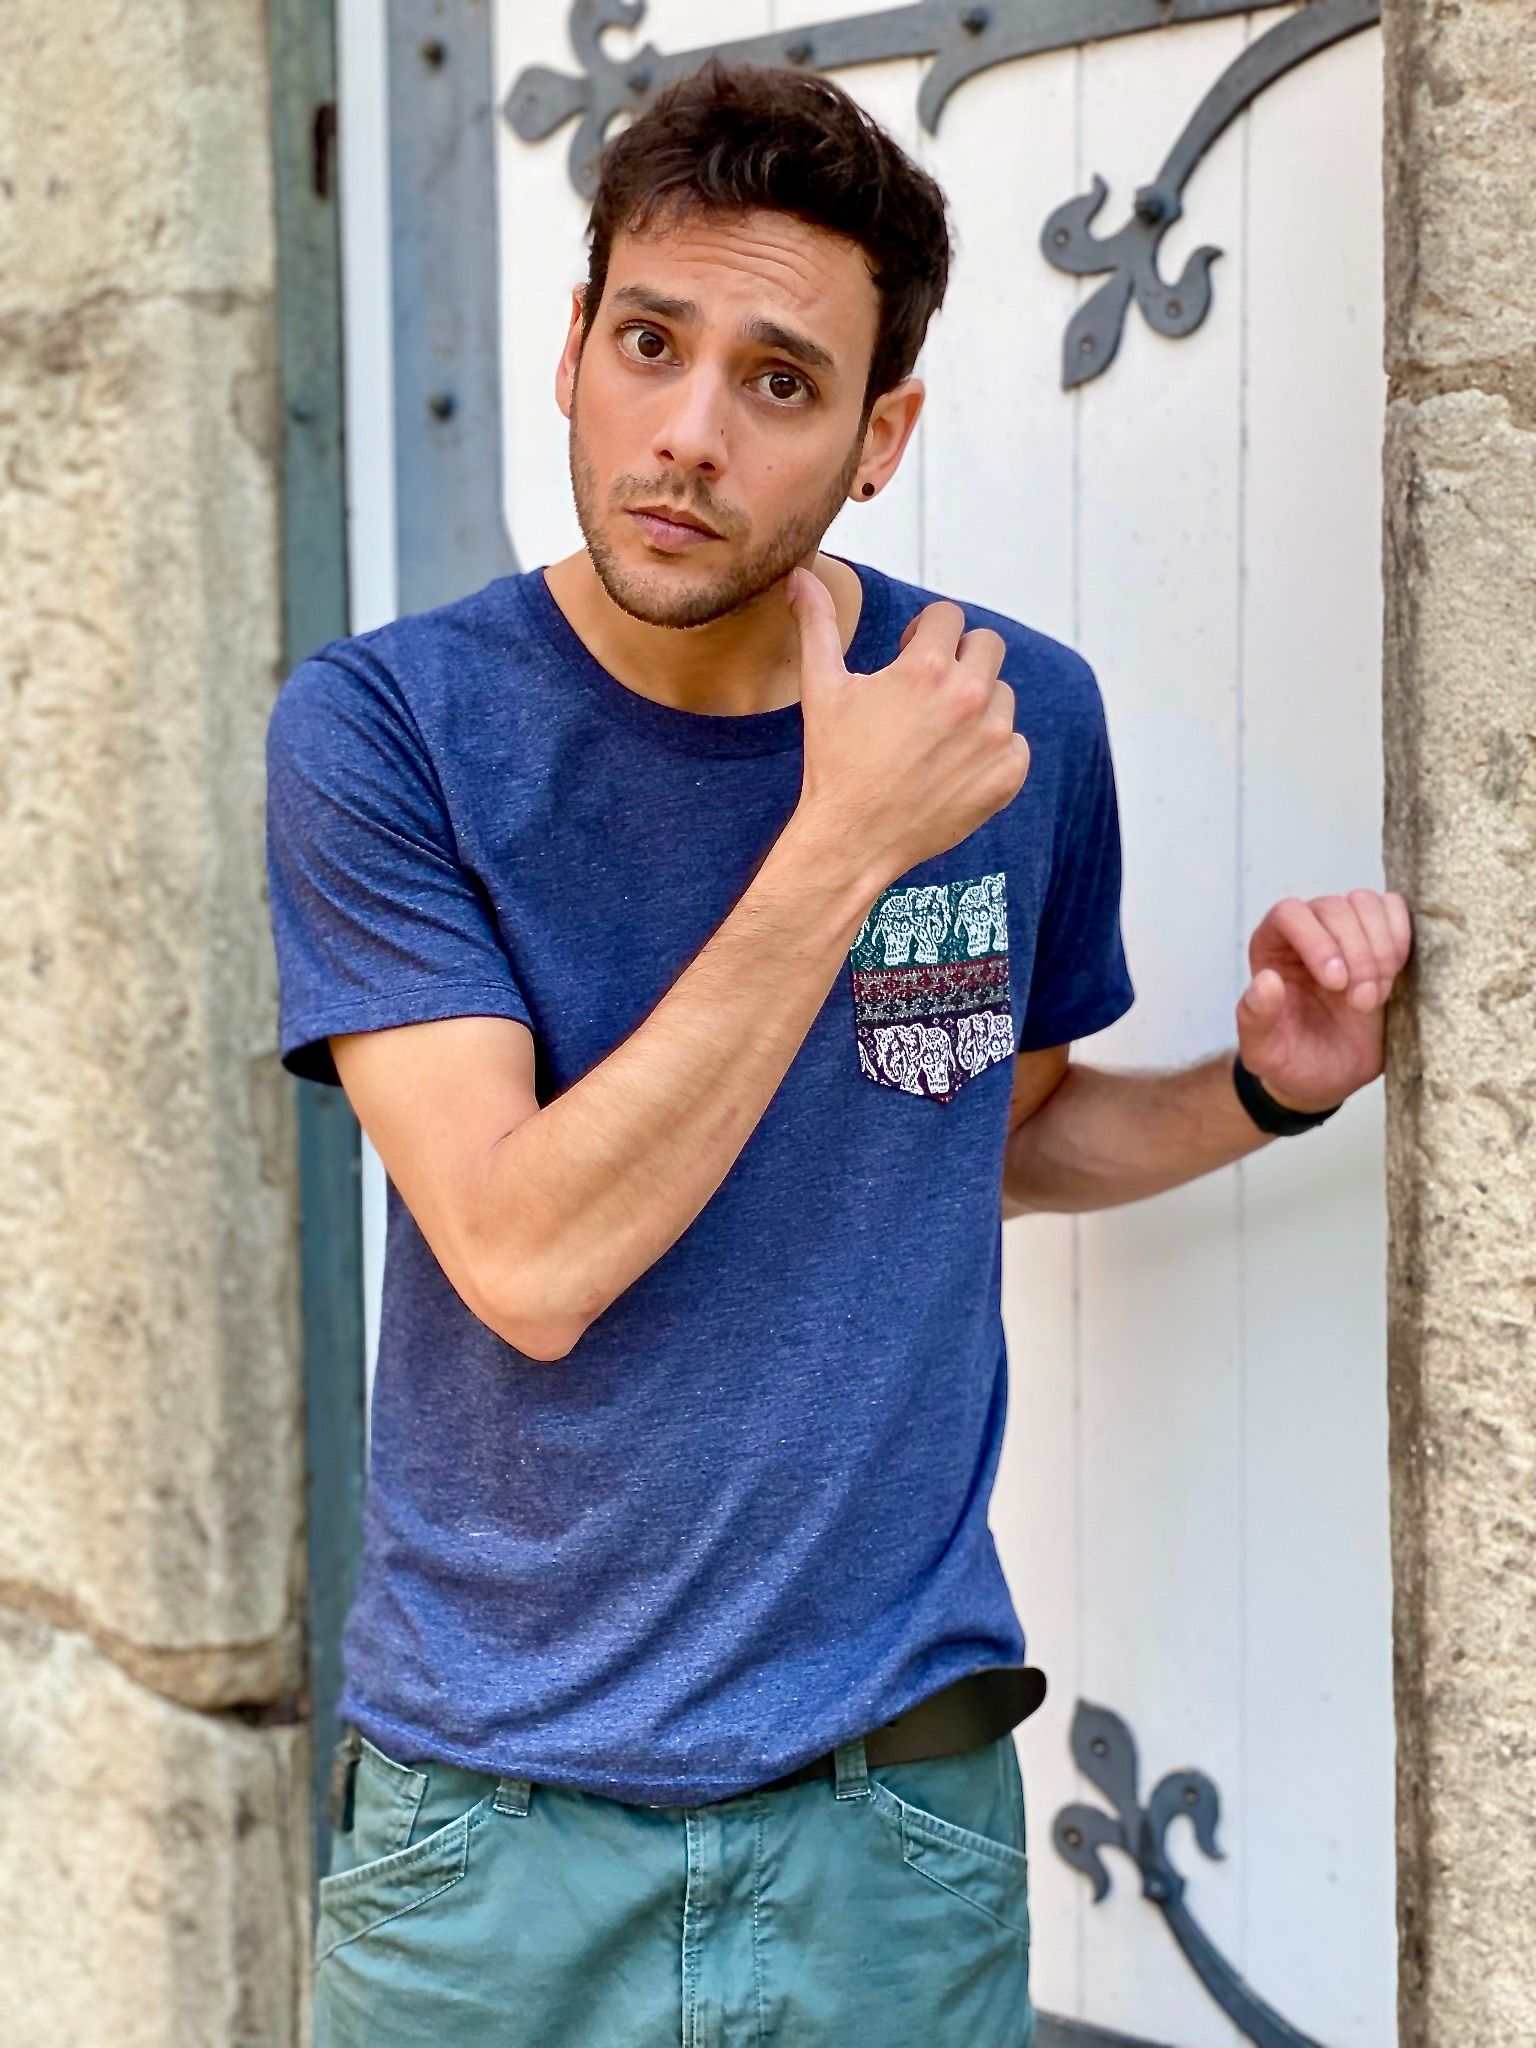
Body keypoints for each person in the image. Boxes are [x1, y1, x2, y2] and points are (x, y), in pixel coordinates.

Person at [265, 57, 1413, 2048]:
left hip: (888, 1830)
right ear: (570, 347)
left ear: (881, 435)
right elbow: (526, 1255)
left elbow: (985, 1127)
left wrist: (1265, 1087)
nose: (688, 433)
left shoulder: (1011, 722)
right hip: (492, 1846)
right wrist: (842, 843)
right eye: (651, 343)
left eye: (780, 380)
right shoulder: (390, 735)